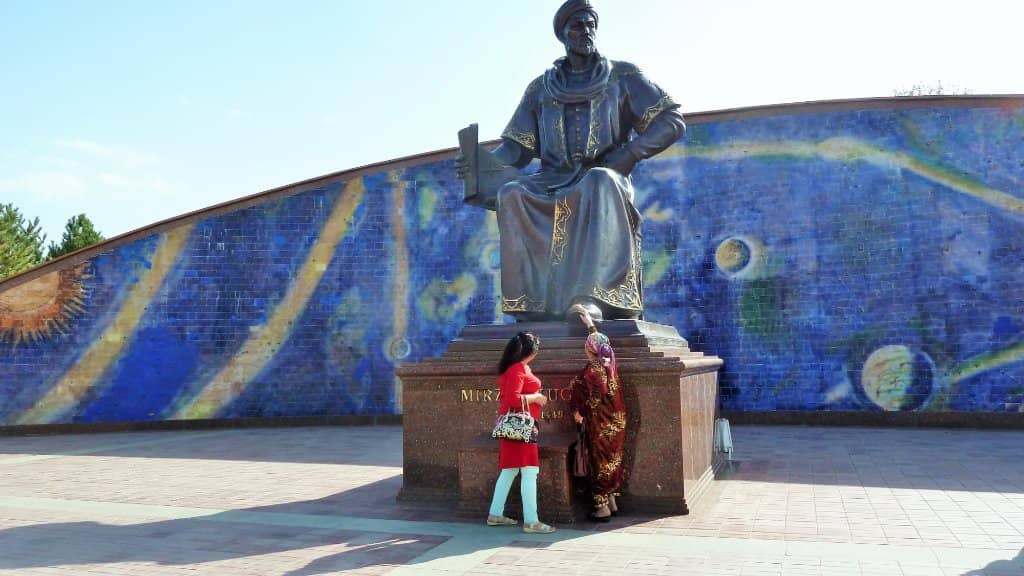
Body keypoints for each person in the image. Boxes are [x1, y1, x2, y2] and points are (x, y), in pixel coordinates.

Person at [456, 0, 686, 322]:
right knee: (512, 194)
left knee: (598, 181)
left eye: (591, 24)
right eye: (578, 25)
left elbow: (672, 121)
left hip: (605, 175)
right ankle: (532, 305)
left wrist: (631, 152)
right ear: (563, 34)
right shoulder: (540, 88)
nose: (587, 31)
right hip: (551, 178)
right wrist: (480, 165)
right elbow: (515, 149)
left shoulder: (623, 75)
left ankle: (591, 298)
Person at [486, 331, 556, 533]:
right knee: (529, 471)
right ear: (530, 351)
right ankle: (532, 521)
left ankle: (495, 514)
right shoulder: (518, 369)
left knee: (509, 471)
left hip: (514, 428)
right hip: (521, 427)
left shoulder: (516, 367)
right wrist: (535, 398)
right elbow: (512, 399)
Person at [569, 303, 627, 521]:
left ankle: (601, 507)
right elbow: (601, 343)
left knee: (599, 461)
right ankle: (611, 500)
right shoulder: (609, 362)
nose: (585, 348)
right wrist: (590, 325)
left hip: (601, 424)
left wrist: (581, 413)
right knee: (612, 459)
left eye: (587, 345)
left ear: (590, 349)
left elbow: (596, 395)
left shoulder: (594, 369)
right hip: (615, 422)